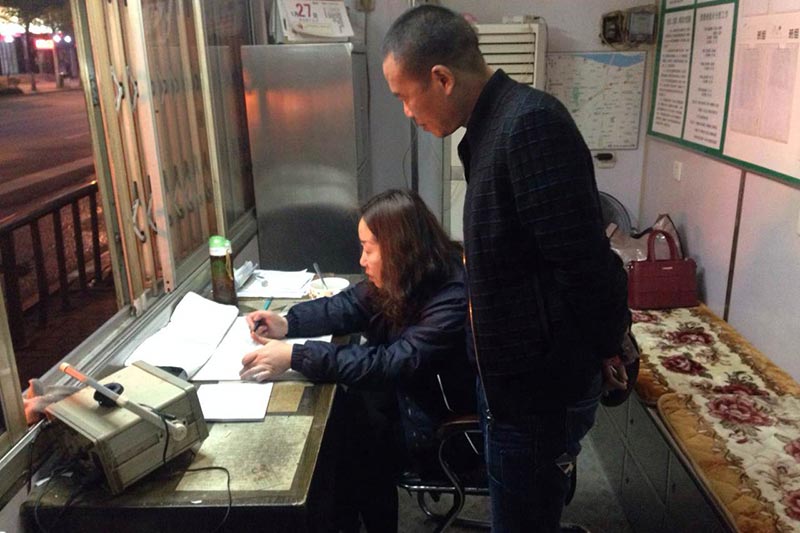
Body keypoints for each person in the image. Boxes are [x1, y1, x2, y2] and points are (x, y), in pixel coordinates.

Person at [381, 6, 631, 532]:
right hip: (507, 385)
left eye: (405, 96)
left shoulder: (529, 126)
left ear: (442, 79)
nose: (406, 112)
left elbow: (586, 266)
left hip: (537, 394)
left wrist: (609, 345)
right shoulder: (491, 129)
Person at [241, 188, 475, 532]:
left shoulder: (451, 297)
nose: (362, 261)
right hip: (414, 399)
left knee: (347, 437)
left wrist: (296, 355)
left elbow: (392, 363)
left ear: (400, 250)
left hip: (443, 430)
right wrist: (288, 323)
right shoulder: (415, 270)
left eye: (368, 249)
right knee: (348, 420)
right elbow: (348, 305)